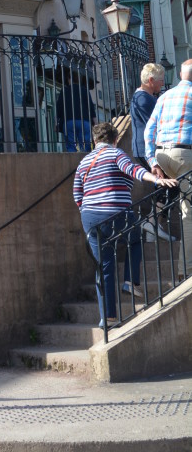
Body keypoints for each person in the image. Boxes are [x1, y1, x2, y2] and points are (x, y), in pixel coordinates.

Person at [74, 121, 177, 327]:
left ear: (95, 141)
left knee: (104, 266)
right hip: (115, 211)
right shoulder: (116, 154)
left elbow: (77, 192)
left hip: (90, 217)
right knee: (136, 238)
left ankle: (108, 317)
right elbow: (134, 170)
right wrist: (156, 180)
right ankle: (131, 282)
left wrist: (89, 211)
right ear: (114, 140)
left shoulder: (84, 161)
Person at [144, 58, 192, 280]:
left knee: (183, 200)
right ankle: (186, 270)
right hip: (185, 154)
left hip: (163, 155)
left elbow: (148, 131)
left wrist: (152, 161)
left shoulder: (164, 97)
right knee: (188, 214)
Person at [130, 63, 170, 239]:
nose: (162, 84)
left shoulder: (143, 97)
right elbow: (156, 126)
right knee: (168, 183)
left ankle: (153, 229)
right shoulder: (144, 99)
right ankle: (152, 222)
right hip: (149, 149)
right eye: (161, 80)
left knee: (164, 184)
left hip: (145, 148)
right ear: (151, 80)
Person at [56, 75, 95, 152]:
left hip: (69, 121)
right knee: (85, 146)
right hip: (84, 121)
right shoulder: (84, 90)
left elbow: (58, 109)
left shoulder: (64, 91)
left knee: (71, 145)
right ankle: (86, 161)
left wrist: (56, 123)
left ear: (69, 79)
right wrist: (96, 124)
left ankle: (73, 162)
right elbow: (91, 108)